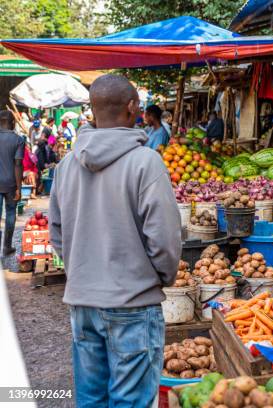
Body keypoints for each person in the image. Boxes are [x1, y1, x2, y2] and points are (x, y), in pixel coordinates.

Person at [49, 74, 181, 407]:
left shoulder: (66, 165)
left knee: (91, 400)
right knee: (131, 402)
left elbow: (57, 232)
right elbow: (164, 239)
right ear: (133, 107)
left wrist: (81, 272)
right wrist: (158, 278)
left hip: (83, 304)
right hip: (133, 304)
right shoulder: (147, 162)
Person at [0, 110, 24, 256]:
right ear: (12, 122)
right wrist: (19, 189)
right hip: (10, 184)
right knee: (10, 214)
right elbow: (18, 165)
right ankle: (7, 246)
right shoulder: (18, 139)